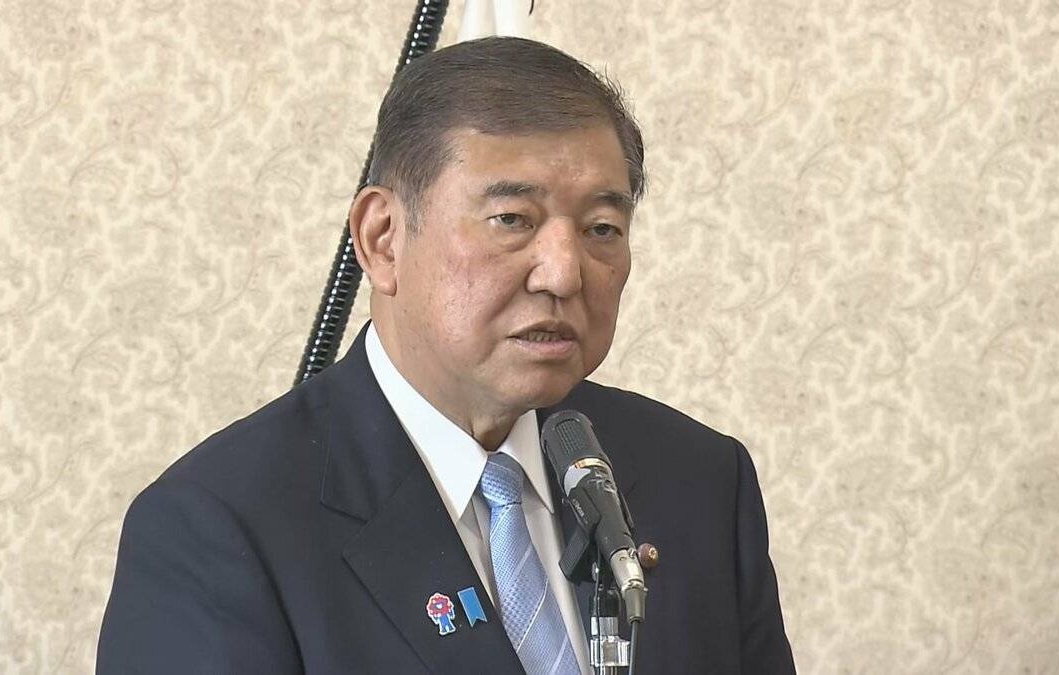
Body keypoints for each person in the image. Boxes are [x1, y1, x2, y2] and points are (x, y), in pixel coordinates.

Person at [97, 36, 795, 674]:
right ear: (383, 238)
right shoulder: (218, 529)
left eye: (602, 228)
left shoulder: (699, 480)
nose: (563, 273)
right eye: (511, 219)